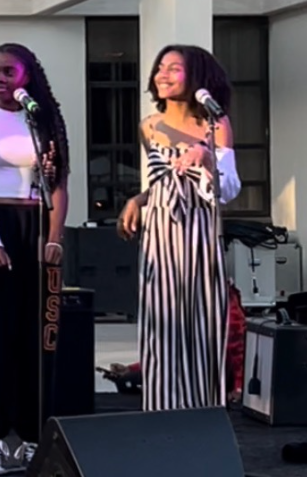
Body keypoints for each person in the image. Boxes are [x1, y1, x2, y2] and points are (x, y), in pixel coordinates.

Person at [0, 43, 69, 475]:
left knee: (34, 341)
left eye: (8, 72)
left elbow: (59, 185)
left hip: (35, 227)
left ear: (27, 76)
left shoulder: (44, 120)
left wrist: (54, 238)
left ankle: (32, 436)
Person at [118, 44, 239, 412]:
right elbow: (162, 181)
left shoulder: (215, 124)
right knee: (162, 322)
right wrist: (138, 200)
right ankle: (162, 412)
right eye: (160, 67)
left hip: (200, 231)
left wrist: (206, 156)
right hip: (160, 233)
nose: (163, 74)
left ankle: (204, 411)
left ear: (197, 75)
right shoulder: (149, 126)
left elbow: (229, 188)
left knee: (202, 322)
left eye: (174, 68)